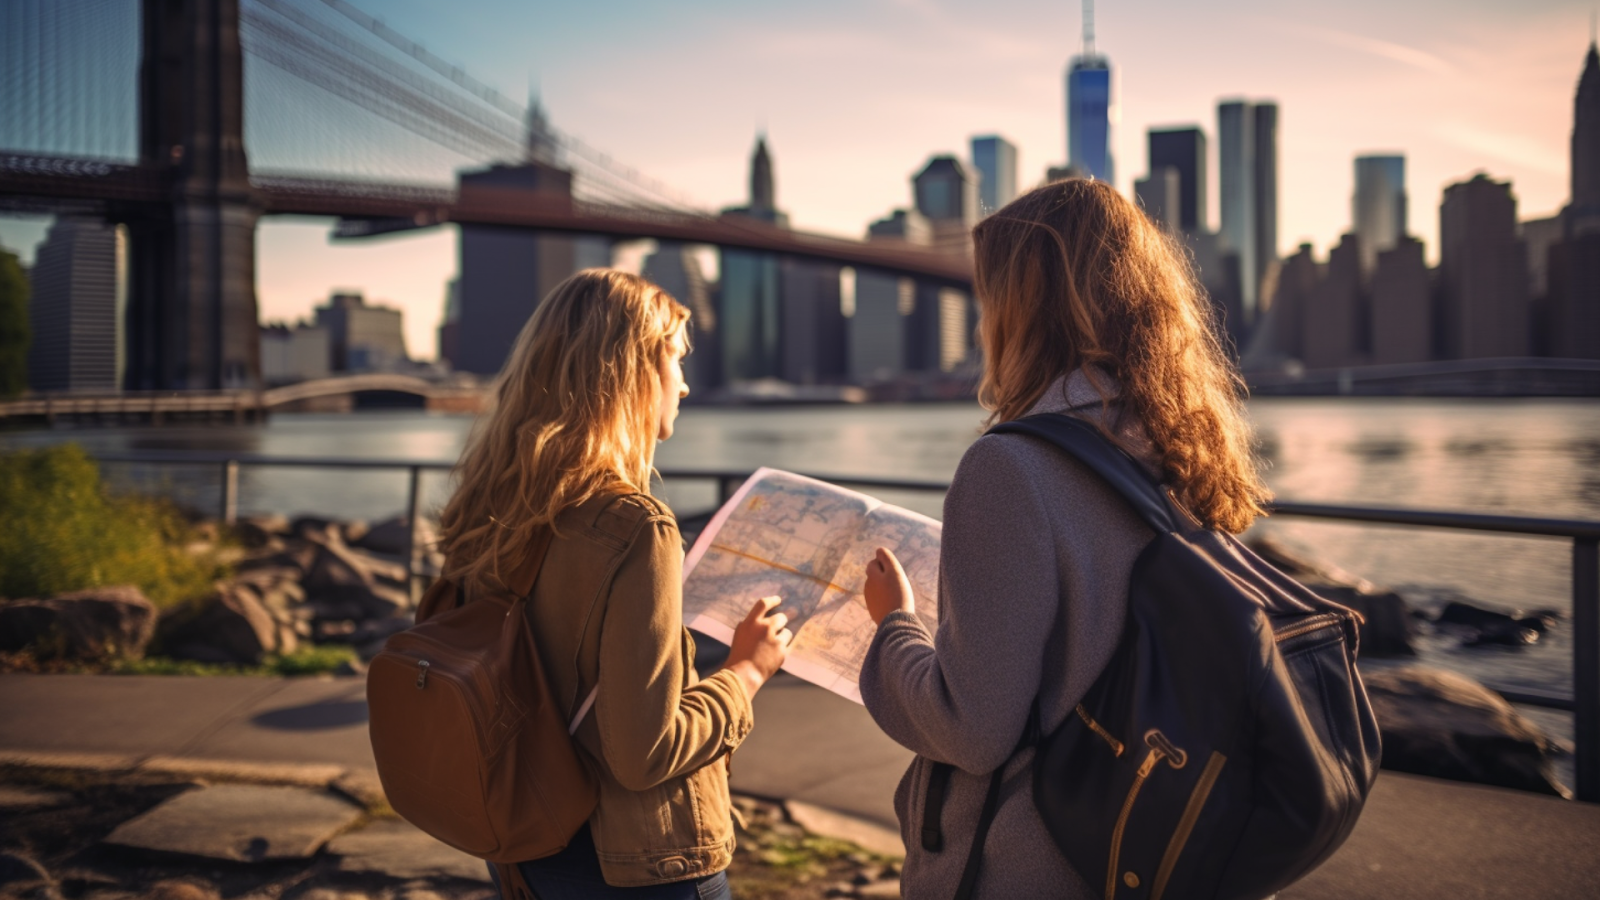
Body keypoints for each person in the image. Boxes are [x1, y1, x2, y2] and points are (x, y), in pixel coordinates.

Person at [858, 179, 1271, 898]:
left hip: (1033, 868)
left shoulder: (1009, 467)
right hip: (1160, 850)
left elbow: (973, 730)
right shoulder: (1187, 444)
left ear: (1024, 308)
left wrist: (895, 626)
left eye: (992, 299)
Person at [436, 269, 794, 899]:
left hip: (526, 841)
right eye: (676, 361)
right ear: (632, 374)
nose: (683, 385)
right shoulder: (636, 527)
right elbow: (643, 753)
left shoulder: (489, 504)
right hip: (638, 865)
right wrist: (748, 671)